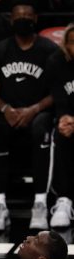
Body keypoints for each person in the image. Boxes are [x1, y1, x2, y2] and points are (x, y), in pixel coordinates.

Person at [0, 0, 58, 231]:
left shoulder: (49, 50)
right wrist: (6, 110)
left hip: (40, 113)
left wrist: (33, 109)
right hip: (8, 113)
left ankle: (40, 204)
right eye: (18, 16)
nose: (22, 19)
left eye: (27, 15)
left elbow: (57, 92)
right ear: (11, 20)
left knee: (41, 128)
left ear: (35, 19)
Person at [46, 23, 74, 228]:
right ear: (65, 44)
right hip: (68, 120)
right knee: (61, 134)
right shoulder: (56, 62)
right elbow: (59, 97)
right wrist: (64, 117)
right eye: (73, 42)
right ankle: (64, 199)